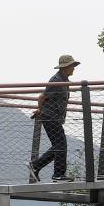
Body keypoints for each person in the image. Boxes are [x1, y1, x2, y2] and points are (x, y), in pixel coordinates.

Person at [28, 54, 80, 183]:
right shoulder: (56, 80)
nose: (73, 68)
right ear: (65, 67)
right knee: (60, 145)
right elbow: (41, 97)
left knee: (58, 145)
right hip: (50, 117)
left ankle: (36, 165)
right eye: (72, 66)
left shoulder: (64, 80)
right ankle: (57, 174)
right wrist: (40, 110)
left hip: (53, 117)